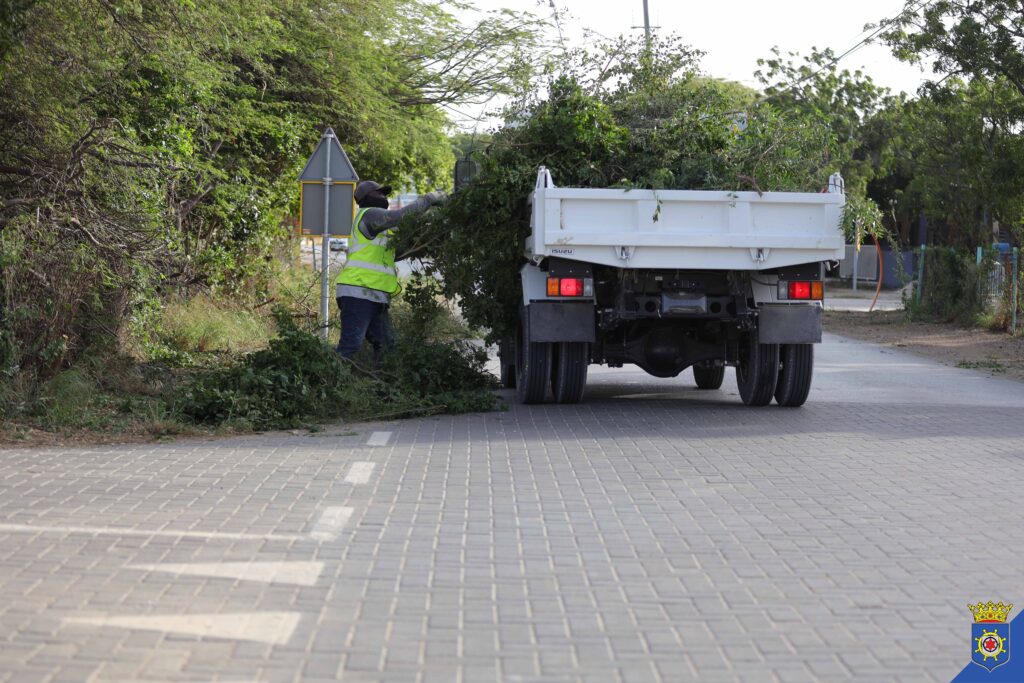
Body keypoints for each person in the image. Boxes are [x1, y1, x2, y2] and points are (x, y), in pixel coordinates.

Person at [335, 180, 446, 358]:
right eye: (380, 193)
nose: (384, 197)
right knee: (350, 346)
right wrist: (429, 199)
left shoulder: (380, 228)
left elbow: (396, 251)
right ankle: (328, 381)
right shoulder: (369, 215)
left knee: (386, 347)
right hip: (358, 292)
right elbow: (402, 216)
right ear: (368, 197)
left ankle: (379, 385)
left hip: (375, 296)